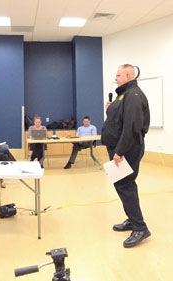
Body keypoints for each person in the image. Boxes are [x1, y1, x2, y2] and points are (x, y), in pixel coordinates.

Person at [103, 63, 151, 248]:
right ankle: (132, 220)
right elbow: (118, 121)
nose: (116, 78)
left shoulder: (133, 95)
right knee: (124, 185)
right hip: (120, 148)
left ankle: (140, 227)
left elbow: (131, 126)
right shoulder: (124, 95)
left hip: (126, 150)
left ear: (129, 76)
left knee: (125, 185)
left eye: (119, 75)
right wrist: (110, 108)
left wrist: (119, 151)